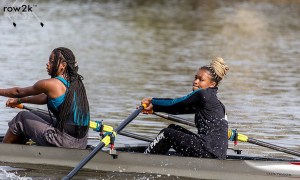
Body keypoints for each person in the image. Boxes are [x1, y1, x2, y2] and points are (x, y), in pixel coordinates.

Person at [0, 47, 90, 149]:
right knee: (32, 114)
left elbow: (18, 92)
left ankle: (4, 151)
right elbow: (44, 98)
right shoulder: (75, 82)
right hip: (81, 141)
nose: (47, 64)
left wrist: (15, 96)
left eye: (52, 61)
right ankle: (19, 145)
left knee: (21, 117)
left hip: (66, 141)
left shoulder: (50, 84)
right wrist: (19, 101)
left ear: (63, 66)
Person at [141, 57, 229, 159]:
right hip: (216, 153)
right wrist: (154, 108)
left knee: (167, 133)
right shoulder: (215, 103)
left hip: (208, 151)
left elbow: (175, 103)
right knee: (172, 128)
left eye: (201, 80)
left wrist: (152, 100)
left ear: (212, 84)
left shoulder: (202, 94)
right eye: (196, 78)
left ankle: (145, 160)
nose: (196, 81)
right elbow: (178, 109)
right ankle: (158, 159)